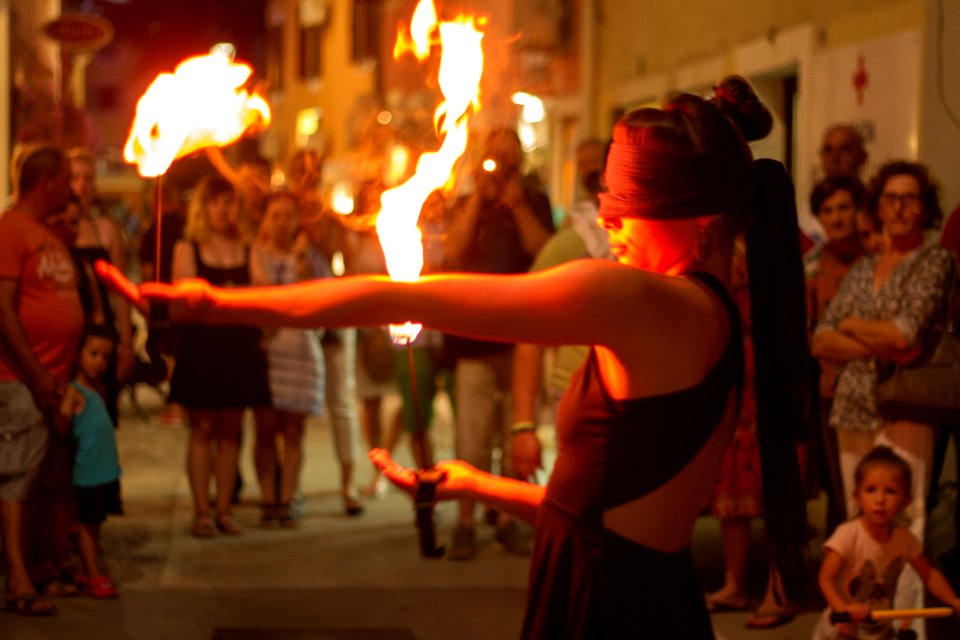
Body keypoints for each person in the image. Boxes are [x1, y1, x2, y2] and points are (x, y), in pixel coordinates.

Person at [99, 76, 810, 639]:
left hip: (610, 613)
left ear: (706, 224)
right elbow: (609, 527)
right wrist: (477, 485)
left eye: (631, 205)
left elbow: (396, 299)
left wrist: (219, 305)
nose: (610, 220)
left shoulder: (645, 303)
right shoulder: (704, 312)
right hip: (641, 595)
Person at [812, 160, 954, 636]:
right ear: (878, 206)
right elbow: (821, 338)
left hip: (905, 405)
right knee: (858, 526)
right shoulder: (864, 267)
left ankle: (905, 627)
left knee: (905, 523)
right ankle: (857, 628)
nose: (899, 207)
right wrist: (874, 337)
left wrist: (853, 327)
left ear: (925, 207)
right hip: (851, 406)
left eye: (910, 198)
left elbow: (908, 333)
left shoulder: (935, 261)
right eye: (890, 198)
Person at [442, 127, 554, 560]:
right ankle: (467, 523)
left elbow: (542, 250)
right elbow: (453, 252)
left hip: (521, 338)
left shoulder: (534, 201)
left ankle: (509, 521)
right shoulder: (467, 203)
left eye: (508, 158)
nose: (500, 164)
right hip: (472, 340)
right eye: (494, 156)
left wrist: (517, 202)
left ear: (521, 163)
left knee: (517, 434)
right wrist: (477, 197)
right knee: (471, 439)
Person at [0, 146, 84, 616]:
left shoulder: (45, 233)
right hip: (20, 380)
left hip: (55, 381)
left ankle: (41, 568)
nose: (72, 188)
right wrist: (34, 375)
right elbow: (3, 308)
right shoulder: (9, 230)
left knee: (45, 481)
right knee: (15, 478)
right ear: (47, 181)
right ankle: (16, 578)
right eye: (67, 179)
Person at [167, 176, 271, 537]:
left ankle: (224, 509)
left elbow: (262, 296)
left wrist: (221, 299)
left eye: (229, 202)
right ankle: (201, 511)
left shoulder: (248, 248)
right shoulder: (187, 248)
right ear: (203, 206)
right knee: (202, 428)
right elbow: (184, 300)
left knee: (231, 431)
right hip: (202, 348)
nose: (224, 209)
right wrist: (231, 299)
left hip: (238, 349)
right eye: (216, 202)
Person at [813, 446, 960, 640]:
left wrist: (953, 599)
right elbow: (826, 578)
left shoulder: (904, 538)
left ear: (905, 500)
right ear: (858, 497)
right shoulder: (847, 534)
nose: (880, 499)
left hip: (879, 626)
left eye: (890, 491)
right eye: (870, 490)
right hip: (842, 628)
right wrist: (844, 609)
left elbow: (929, 574)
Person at [250, 191, 332, 526]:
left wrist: (300, 264)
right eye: (276, 215)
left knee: (294, 430)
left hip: (300, 351)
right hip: (267, 350)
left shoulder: (311, 259)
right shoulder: (255, 256)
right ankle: (268, 498)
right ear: (265, 221)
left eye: (288, 215)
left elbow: (317, 303)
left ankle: (288, 499)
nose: (282, 222)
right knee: (265, 429)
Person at [805, 175, 867, 534]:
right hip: (831, 391)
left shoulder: (878, 259)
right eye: (827, 210)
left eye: (844, 207)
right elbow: (813, 338)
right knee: (842, 487)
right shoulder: (812, 267)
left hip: (883, 390)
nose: (837, 218)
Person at [67, 148, 134, 425]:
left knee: (99, 418)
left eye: (88, 178)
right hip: (68, 332)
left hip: (100, 331)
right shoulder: (55, 228)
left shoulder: (106, 229)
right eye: (75, 177)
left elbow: (120, 292)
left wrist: (127, 345)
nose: (82, 185)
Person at [59, 325, 123, 599]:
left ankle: (89, 570)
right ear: (77, 355)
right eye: (93, 353)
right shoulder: (74, 393)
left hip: (104, 472)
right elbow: (62, 426)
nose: (100, 362)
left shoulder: (98, 389)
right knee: (87, 526)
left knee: (95, 524)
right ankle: (93, 574)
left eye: (105, 357)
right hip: (87, 474)